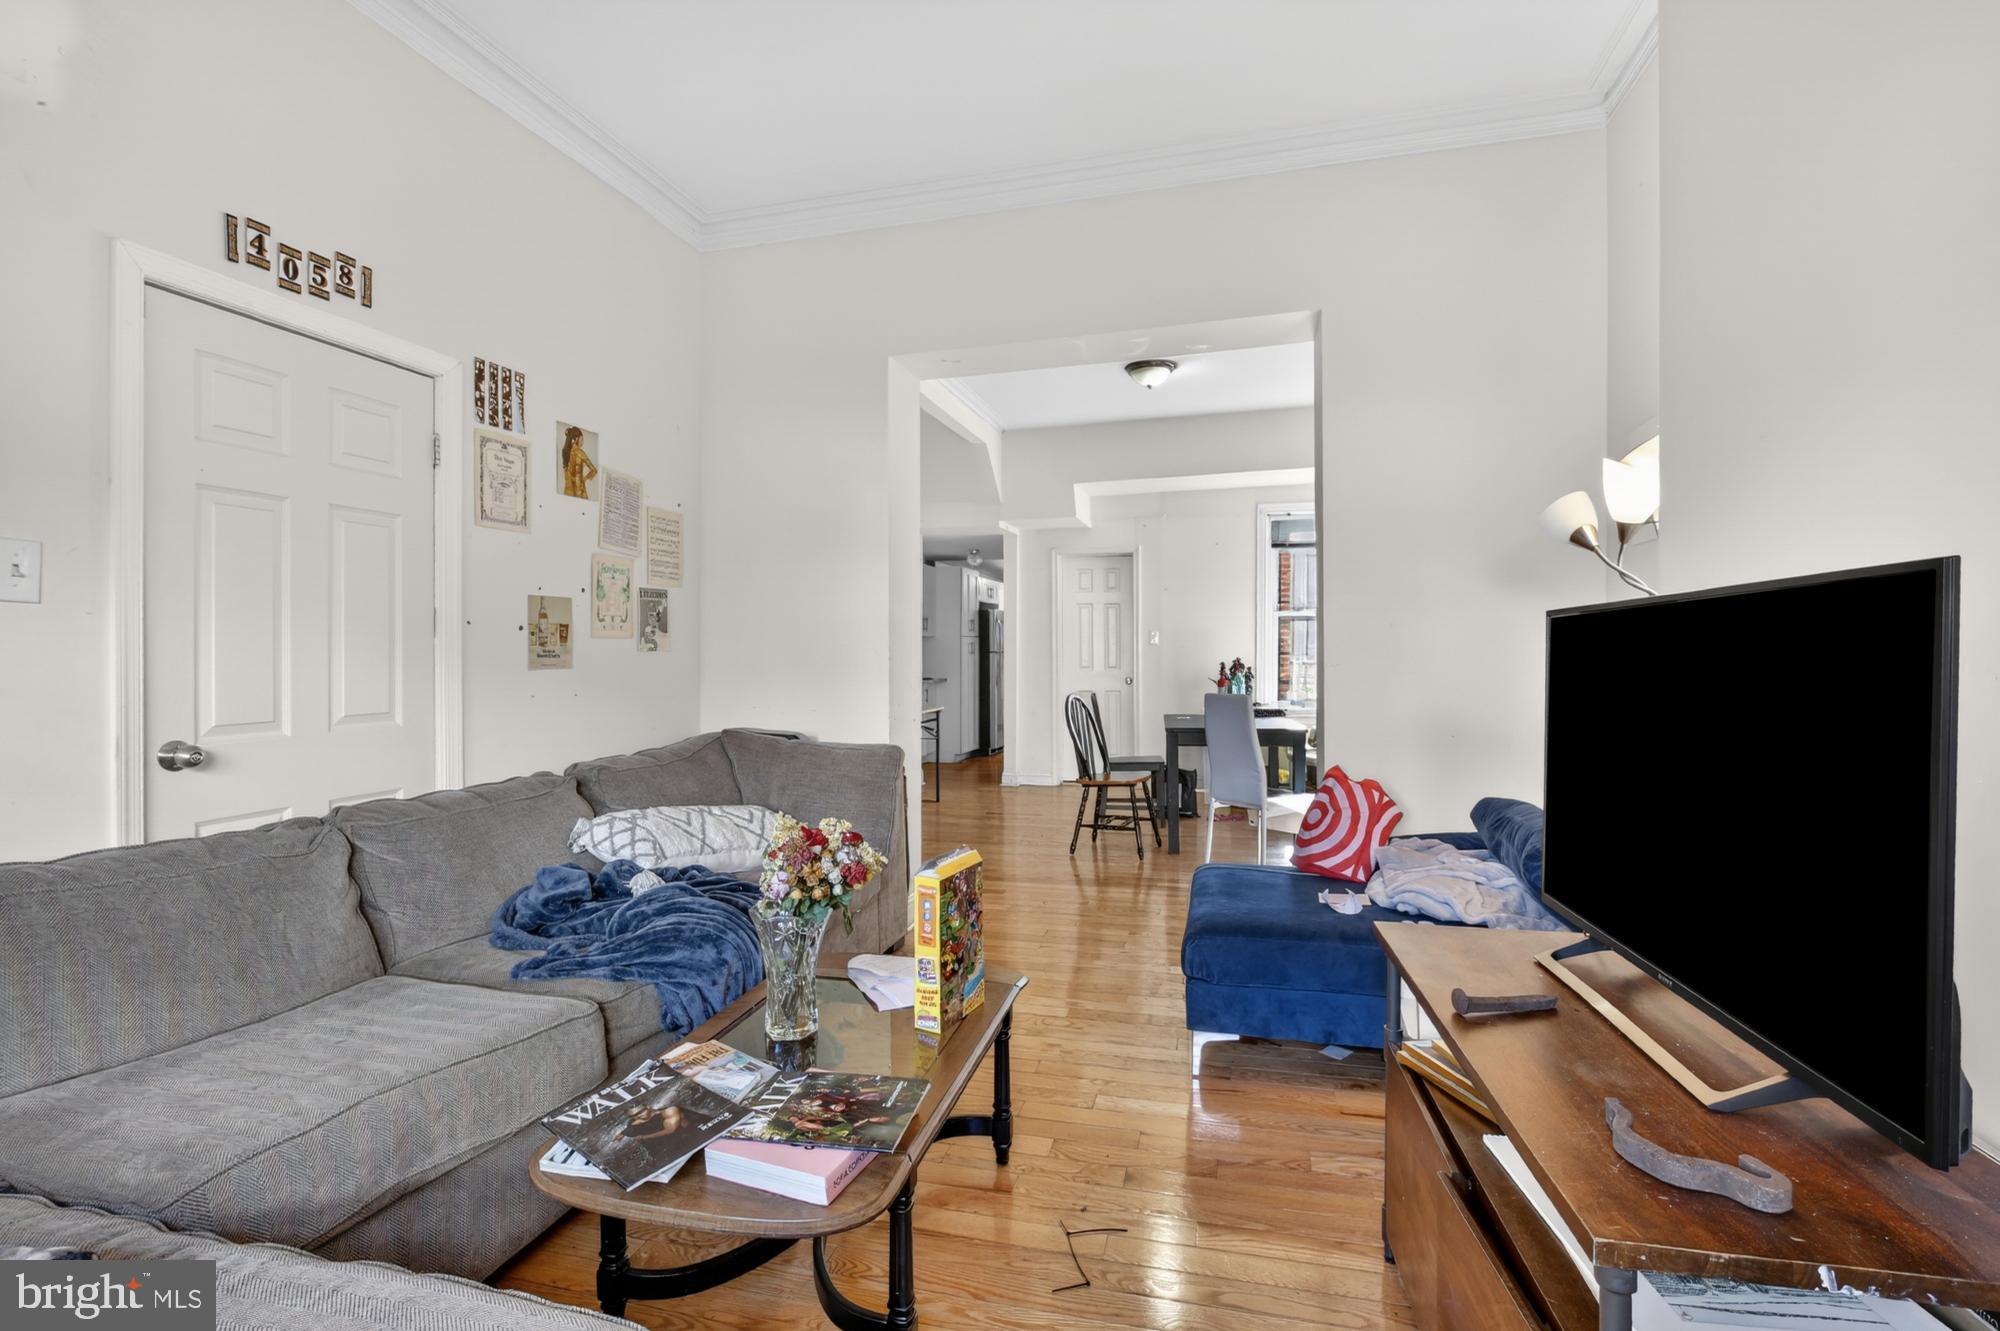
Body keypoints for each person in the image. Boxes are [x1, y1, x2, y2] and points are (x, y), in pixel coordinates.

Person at [561, 425, 599, 498]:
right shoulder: (580, 453)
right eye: (581, 440)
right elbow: (594, 470)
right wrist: (584, 479)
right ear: (576, 439)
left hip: (568, 491)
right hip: (579, 491)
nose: (582, 443)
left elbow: (566, 471)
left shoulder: (565, 452)